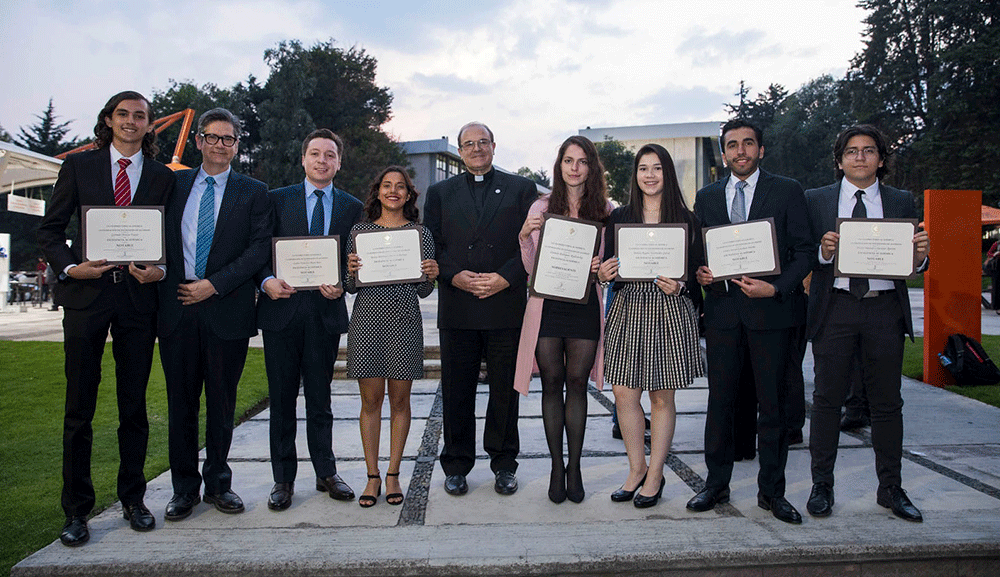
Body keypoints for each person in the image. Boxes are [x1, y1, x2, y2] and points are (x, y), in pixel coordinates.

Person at [36, 90, 175, 546]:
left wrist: (160, 269)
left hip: (137, 302)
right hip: (86, 297)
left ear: (149, 125)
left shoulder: (161, 177)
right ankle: (76, 511)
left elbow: (169, 240)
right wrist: (72, 267)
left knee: (133, 407)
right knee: (79, 408)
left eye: (140, 116)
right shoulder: (79, 166)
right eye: (123, 114)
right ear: (109, 120)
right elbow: (50, 231)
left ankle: (133, 499)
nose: (132, 121)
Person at [687, 119, 815, 524]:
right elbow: (698, 253)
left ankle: (771, 493)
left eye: (747, 144)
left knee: (772, 407)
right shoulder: (706, 197)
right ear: (723, 153)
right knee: (719, 404)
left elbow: (804, 252)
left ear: (760, 150)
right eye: (732, 145)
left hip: (772, 315)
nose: (740, 151)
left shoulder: (787, 190)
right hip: (724, 316)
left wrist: (775, 289)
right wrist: (701, 272)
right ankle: (715, 484)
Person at [804, 124, 929, 522]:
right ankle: (822, 484)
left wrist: (922, 256)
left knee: (887, 403)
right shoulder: (817, 200)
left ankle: (890, 487)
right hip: (835, 307)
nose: (860, 157)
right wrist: (823, 254)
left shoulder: (899, 199)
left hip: (882, 309)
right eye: (852, 151)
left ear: (881, 158)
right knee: (826, 401)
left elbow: (911, 263)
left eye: (869, 150)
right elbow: (801, 256)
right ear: (839, 160)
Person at [158, 108, 271, 521]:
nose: (221, 144)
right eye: (213, 137)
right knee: (181, 405)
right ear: (199, 141)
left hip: (227, 309)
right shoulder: (173, 183)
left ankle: (219, 485)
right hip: (178, 309)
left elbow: (259, 250)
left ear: (237, 146)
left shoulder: (254, 192)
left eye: (229, 139)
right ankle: (183, 490)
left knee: (222, 405)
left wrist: (214, 284)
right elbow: (156, 236)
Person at [424, 121, 538, 496]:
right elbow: (432, 246)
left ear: (494, 146)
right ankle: (456, 464)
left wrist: (506, 278)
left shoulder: (522, 189)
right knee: (457, 389)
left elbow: (532, 244)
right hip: (458, 304)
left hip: (505, 303)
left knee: (504, 390)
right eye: (468, 144)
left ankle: (504, 463)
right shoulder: (440, 193)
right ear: (459, 151)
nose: (476, 148)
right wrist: (454, 277)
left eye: (482, 142)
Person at [256, 129, 363, 511]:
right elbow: (258, 251)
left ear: (338, 162)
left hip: (324, 315)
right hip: (281, 314)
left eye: (329, 155)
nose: (322, 161)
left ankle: (326, 472)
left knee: (321, 400)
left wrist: (344, 285)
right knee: (282, 401)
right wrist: (266, 281)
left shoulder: (351, 207)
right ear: (303, 159)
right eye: (315, 154)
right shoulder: (275, 200)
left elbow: (355, 264)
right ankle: (283, 480)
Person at [598, 143, 704, 509]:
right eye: (643, 168)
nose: (650, 175)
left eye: (657, 168)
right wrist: (603, 273)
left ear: (667, 173)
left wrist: (683, 284)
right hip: (628, 307)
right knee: (624, 393)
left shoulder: (687, 220)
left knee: (661, 396)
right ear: (635, 175)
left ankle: (655, 474)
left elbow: (698, 273)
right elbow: (606, 266)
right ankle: (636, 468)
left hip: (669, 309)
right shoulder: (619, 218)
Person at [513, 136, 611, 503]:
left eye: (582, 161)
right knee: (552, 383)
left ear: (591, 167)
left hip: (584, 304)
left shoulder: (606, 210)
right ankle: (557, 466)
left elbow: (608, 269)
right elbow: (528, 268)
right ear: (559, 166)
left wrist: (600, 268)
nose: (574, 168)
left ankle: (576, 466)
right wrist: (524, 237)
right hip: (547, 305)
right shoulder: (540, 207)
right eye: (568, 160)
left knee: (577, 382)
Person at [345, 167, 439, 507]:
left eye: (401, 186)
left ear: (409, 194)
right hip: (367, 322)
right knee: (370, 403)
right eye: (387, 185)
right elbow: (350, 285)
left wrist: (431, 274)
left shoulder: (420, 234)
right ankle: (372, 476)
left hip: (404, 322)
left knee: (400, 402)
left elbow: (425, 289)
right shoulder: (360, 232)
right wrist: (352, 271)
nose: (394, 191)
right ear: (378, 192)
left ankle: (393, 473)